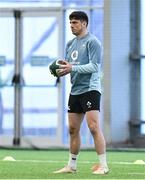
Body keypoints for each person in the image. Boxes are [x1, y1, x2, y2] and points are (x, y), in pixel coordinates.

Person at [53, 11, 109, 175]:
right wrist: (62, 68)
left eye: (75, 22)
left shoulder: (93, 42)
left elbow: (94, 67)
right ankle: (71, 166)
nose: (71, 25)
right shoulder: (70, 43)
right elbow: (71, 65)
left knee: (93, 127)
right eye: (70, 22)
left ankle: (103, 166)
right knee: (72, 129)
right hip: (75, 90)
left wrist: (72, 67)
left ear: (84, 23)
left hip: (90, 89)